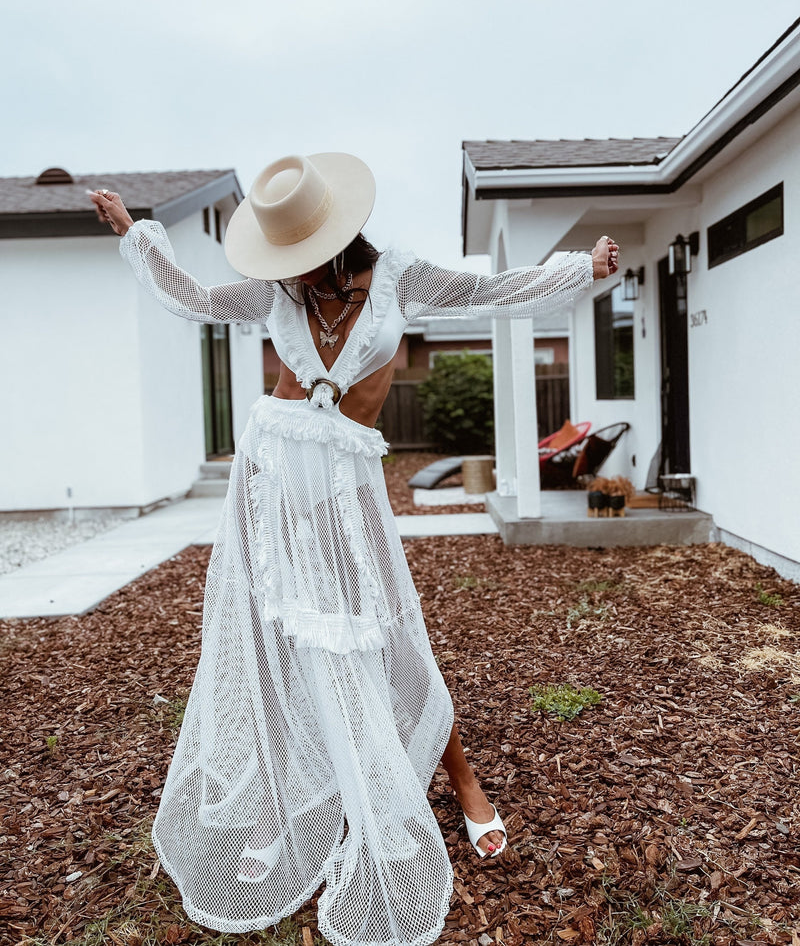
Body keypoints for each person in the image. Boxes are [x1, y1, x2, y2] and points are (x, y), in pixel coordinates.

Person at [89, 153, 618, 946]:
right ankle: (273, 808)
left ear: (335, 237)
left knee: (392, 635)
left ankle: (464, 784)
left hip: (349, 481)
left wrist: (581, 268)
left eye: (302, 257)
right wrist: (136, 235)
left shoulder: (400, 277)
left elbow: (489, 292)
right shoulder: (274, 292)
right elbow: (196, 298)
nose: (292, 274)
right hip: (270, 480)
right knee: (273, 643)